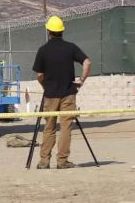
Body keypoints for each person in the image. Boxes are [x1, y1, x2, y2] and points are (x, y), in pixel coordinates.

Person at [32, 15, 91, 169]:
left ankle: (44, 161)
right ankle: (62, 160)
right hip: (68, 93)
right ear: (62, 31)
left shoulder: (43, 50)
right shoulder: (70, 47)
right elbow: (87, 62)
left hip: (50, 94)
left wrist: (45, 86)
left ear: (48, 31)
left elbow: (39, 75)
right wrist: (82, 80)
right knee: (65, 127)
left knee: (49, 128)